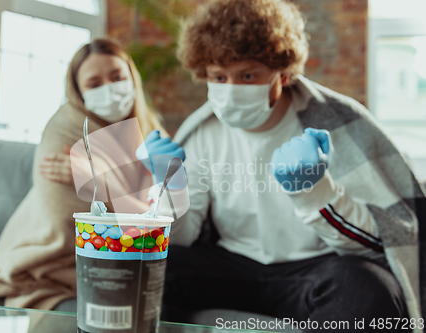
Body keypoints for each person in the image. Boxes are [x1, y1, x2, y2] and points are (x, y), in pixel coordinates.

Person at [137, 0, 426, 331]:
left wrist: (316, 192)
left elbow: (380, 244)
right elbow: (183, 240)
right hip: (233, 266)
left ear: (283, 73)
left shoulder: (339, 124)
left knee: (370, 287)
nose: (230, 91)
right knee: (147, 264)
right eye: (219, 76)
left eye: (248, 75)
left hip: (315, 271)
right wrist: (169, 188)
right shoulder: (202, 132)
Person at [0, 38, 169, 310]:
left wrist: (103, 182)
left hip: (134, 253)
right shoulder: (66, 130)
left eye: (117, 77)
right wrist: (133, 197)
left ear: (131, 78)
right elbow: (66, 218)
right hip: (51, 259)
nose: (109, 90)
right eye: (94, 84)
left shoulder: (152, 131)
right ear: (78, 92)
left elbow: (168, 219)